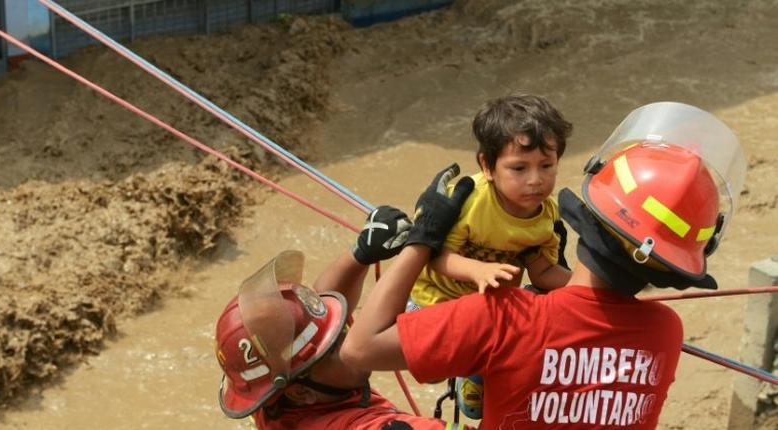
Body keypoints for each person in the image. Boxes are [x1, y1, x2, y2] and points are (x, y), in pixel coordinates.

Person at [341, 101, 746, 429]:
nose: (534, 180)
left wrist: (421, 240)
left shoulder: (503, 317)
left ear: (589, 214)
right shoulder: (664, 334)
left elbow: (358, 351)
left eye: (545, 166)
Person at [213, 206, 474, 429]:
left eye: (340, 332)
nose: (351, 339)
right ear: (301, 391)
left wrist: (361, 254)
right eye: (335, 346)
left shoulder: (273, 392)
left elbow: (321, 305)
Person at [408, 94, 574, 419]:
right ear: (487, 167)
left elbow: (542, 273)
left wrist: (591, 288)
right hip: (435, 297)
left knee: (477, 406)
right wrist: (478, 271)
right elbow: (437, 256)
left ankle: (476, 371)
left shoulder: (546, 215)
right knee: (430, 371)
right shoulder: (470, 200)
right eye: (518, 168)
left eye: (546, 166)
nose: (535, 180)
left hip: (489, 310)